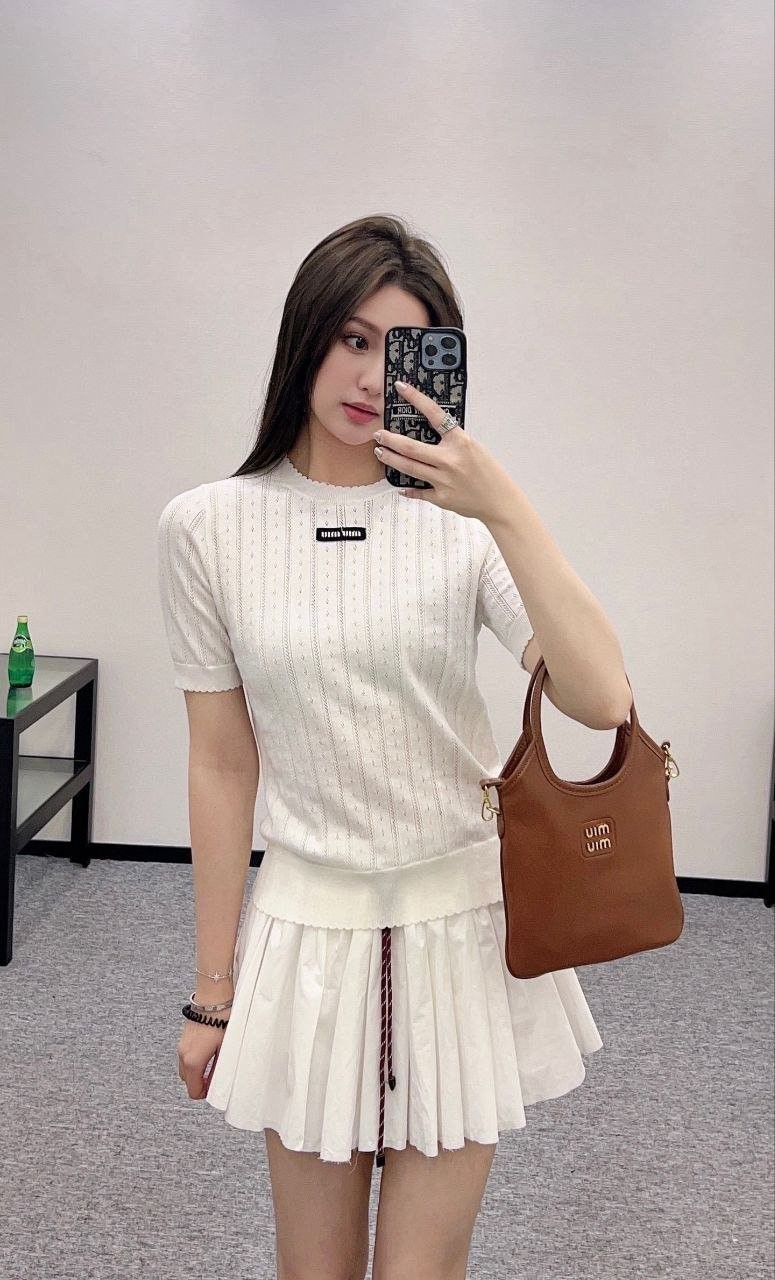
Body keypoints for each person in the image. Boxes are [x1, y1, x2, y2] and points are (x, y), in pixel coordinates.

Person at [157, 214, 606, 1280]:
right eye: (351, 338)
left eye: (402, 351)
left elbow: (599, 698)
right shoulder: (206, 527)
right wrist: (212, 990)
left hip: (460, 933)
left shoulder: (464, 527)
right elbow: (221, 762)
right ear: (305, 336)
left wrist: (504, 508)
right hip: (307, 935)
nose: (371, 378)